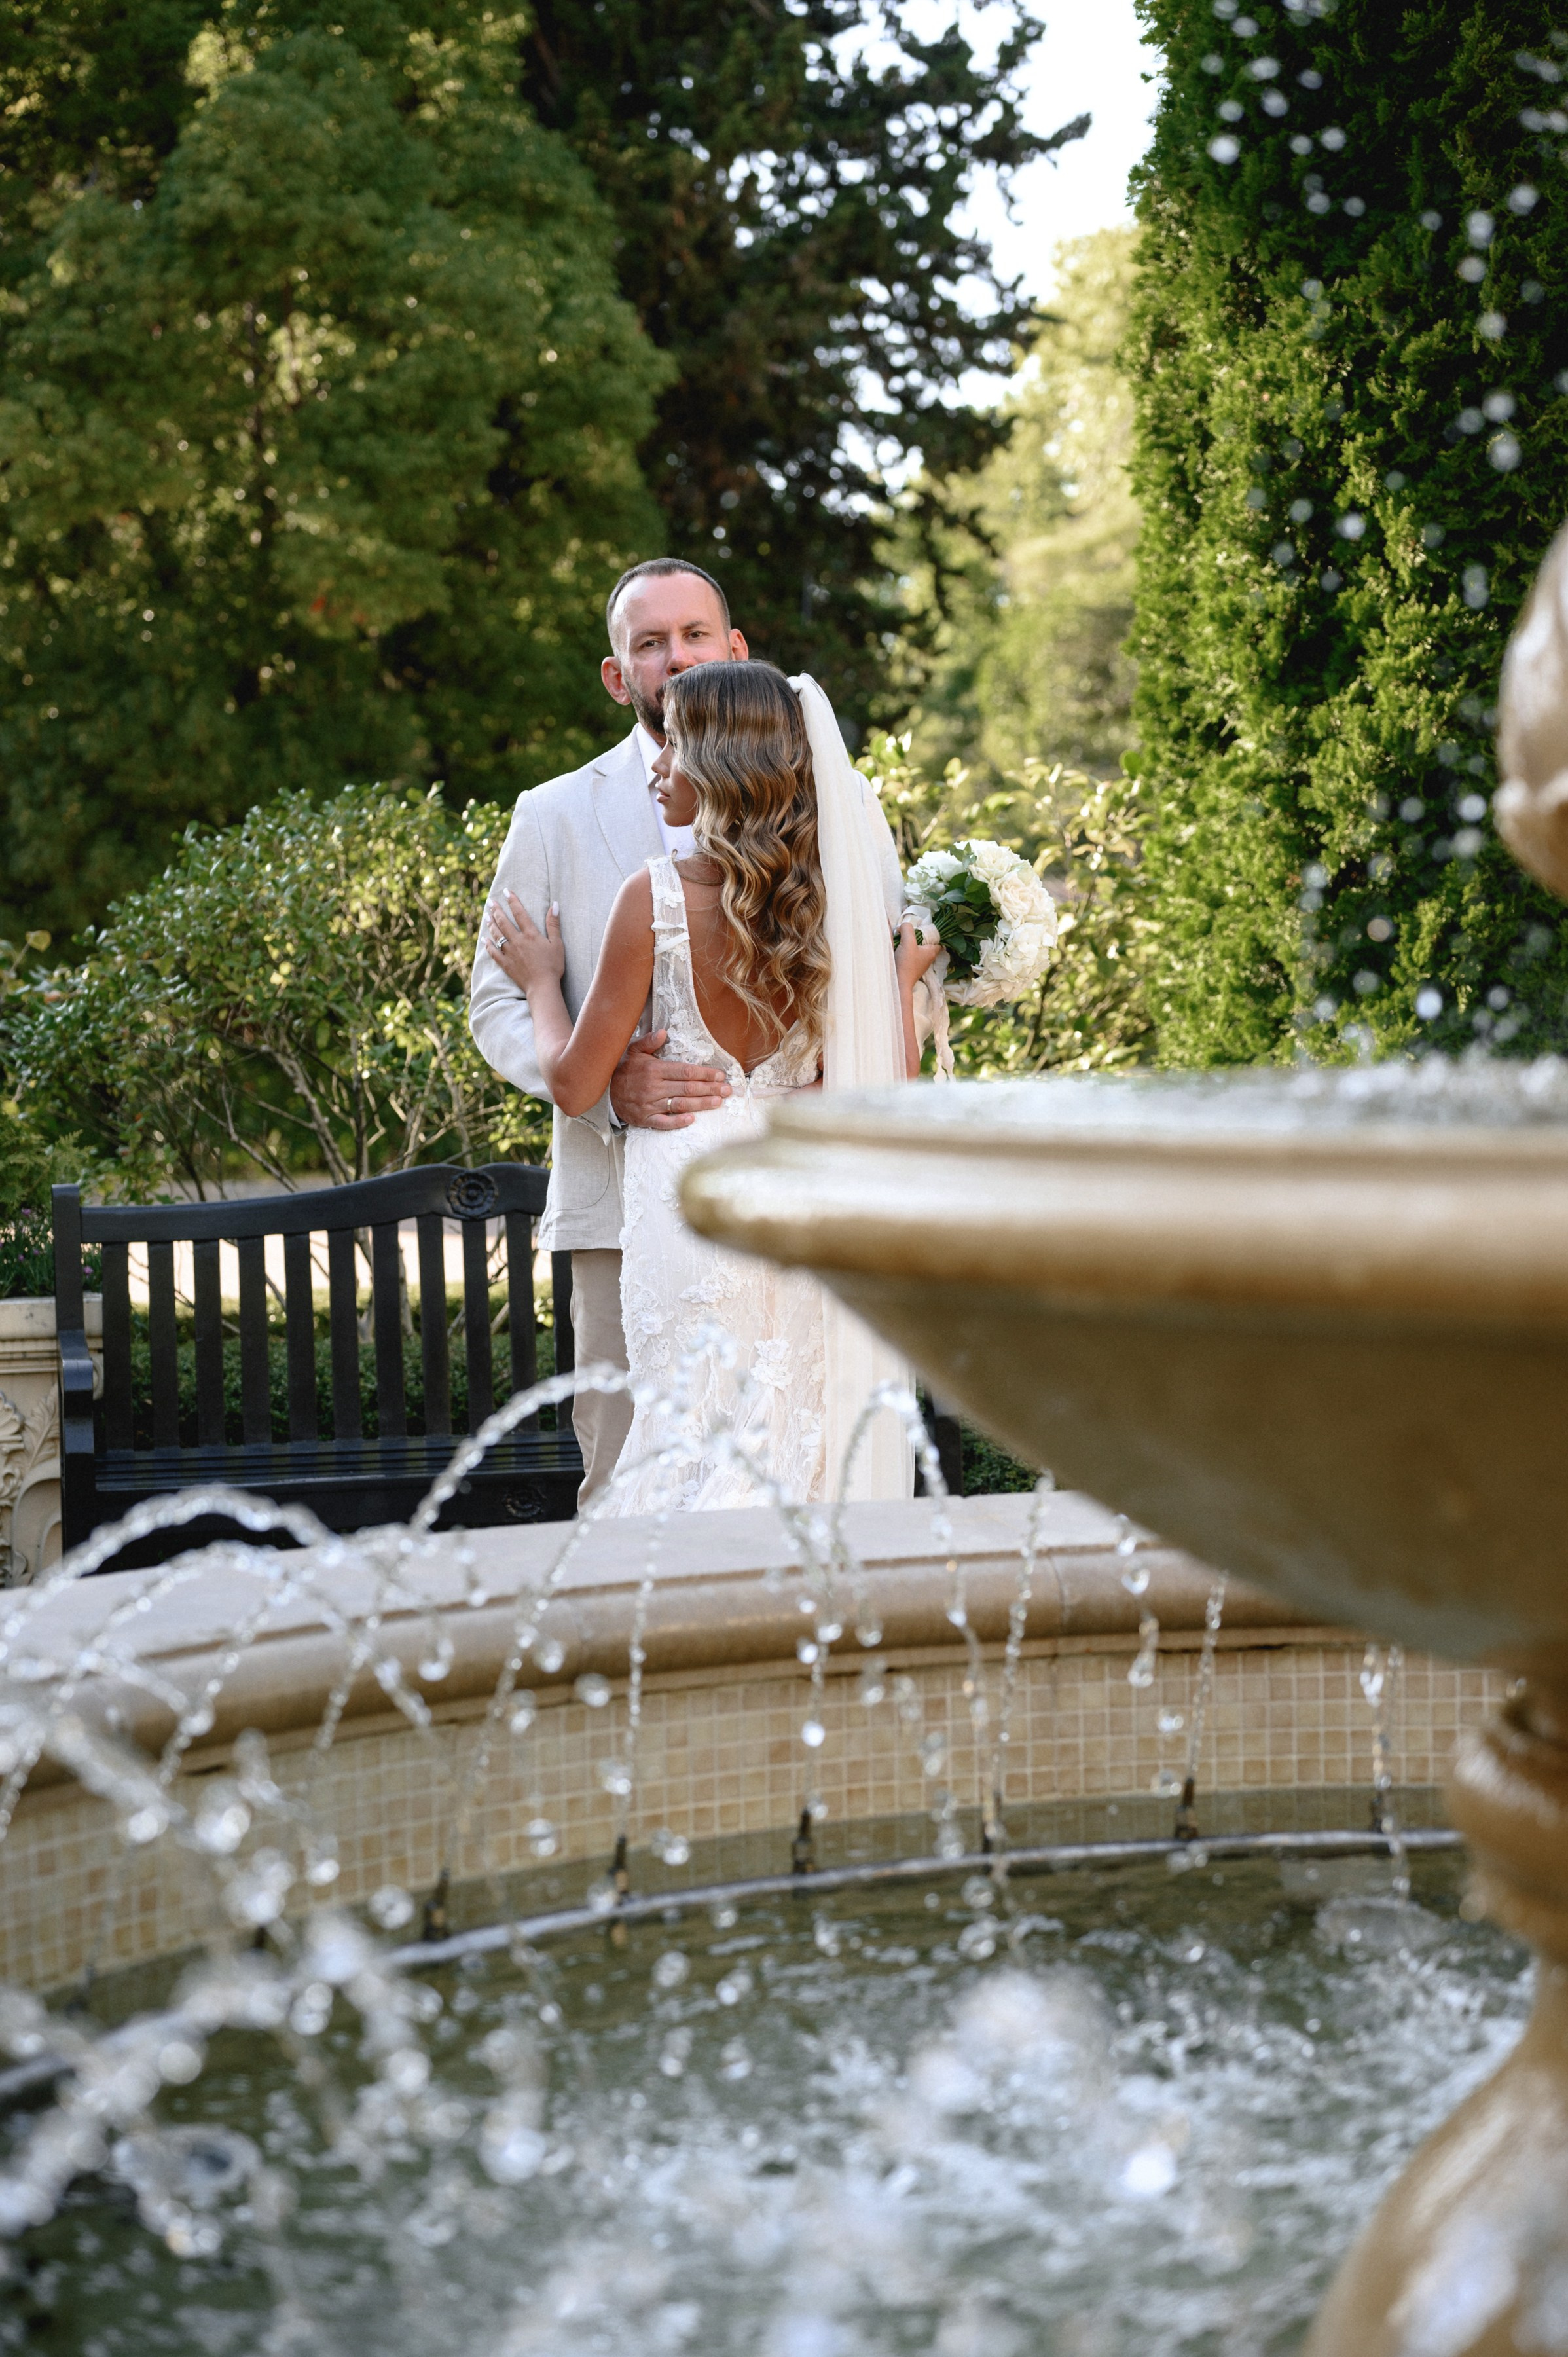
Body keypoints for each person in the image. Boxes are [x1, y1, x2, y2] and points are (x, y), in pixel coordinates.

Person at [483, 660, 938, 1511]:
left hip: (688, 1204)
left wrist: (544, 983)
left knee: (685, 1443)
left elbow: (576, 1082)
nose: (656, 765)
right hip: (796, 1206)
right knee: (802, 1445)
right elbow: (879, 1096)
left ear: (726, 765)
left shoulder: (651, 900)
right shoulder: (827, 909)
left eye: (677, 746)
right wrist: (904, 981)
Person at [469, 559, 744, 1505]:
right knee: (629, 1474)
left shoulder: (834, 804)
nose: (676, 660)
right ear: (617, 675)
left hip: (790, 1205)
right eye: (650, 644)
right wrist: (598, 1093)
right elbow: (496, 1001)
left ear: (736, 649)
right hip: (620, 1208)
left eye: (696, 636)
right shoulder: (551, 815)